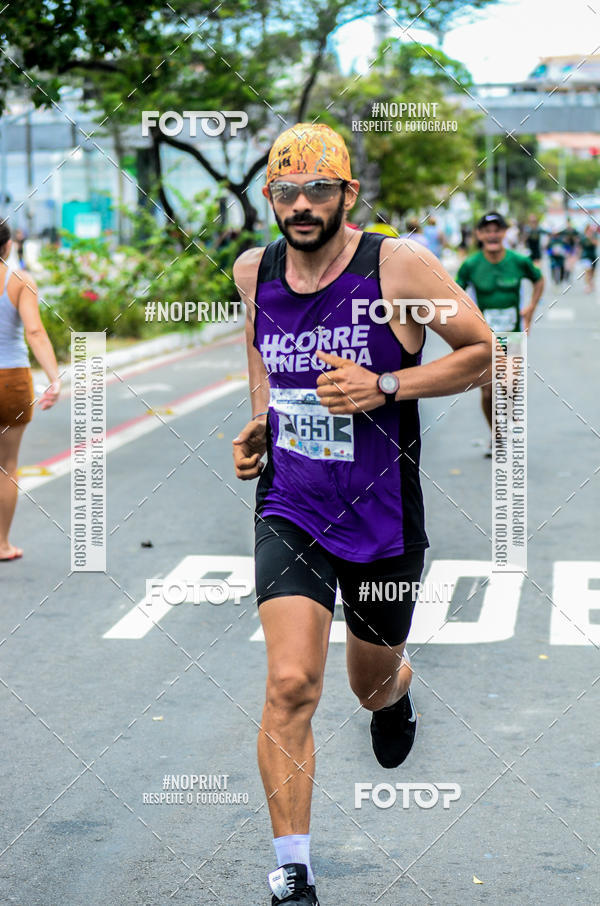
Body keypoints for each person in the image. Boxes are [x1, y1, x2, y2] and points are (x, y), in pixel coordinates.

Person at [231, 122, 492, 906]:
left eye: (319, 189)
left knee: (365, 684)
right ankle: (293, 877)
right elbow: (258, 346)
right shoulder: (255, 270)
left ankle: (395, 688)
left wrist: (386, 387)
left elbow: (480, 350)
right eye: (286, 190)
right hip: (292, 504)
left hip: (381, 516)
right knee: (289, 683)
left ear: (348, 194)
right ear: (271, 196)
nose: (301, 204)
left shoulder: (397, 263)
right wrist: (260, 420)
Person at [456, 211, 544, 456]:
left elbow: (538, 280)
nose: (492, 234)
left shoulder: (518, 261)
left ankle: (509, 428)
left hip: (512, 335)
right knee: (487, 390)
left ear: (505, 233)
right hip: (484, 338)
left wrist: (530, 308)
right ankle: (496, 435)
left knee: (509, 386)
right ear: (479, 234)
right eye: (487, 230)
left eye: (497, 229)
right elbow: (454, 294)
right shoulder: (471, 265)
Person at [0, 223, 61, 560]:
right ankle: (2, 544)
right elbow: (34, 332)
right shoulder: (19, 281)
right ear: (7, 246)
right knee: (7, 465)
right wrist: (55, 378)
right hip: (12, 381)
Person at [579, 223, 598, 293]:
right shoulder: (583, 238)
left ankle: (591, 283)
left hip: (593, 256)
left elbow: (597, 244)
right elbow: (580, 248)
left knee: (592, 273)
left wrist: (591, 238)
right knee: (587, 271)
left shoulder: (594, 237)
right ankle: (587, 286)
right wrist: (578, 257)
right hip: (585, 257)